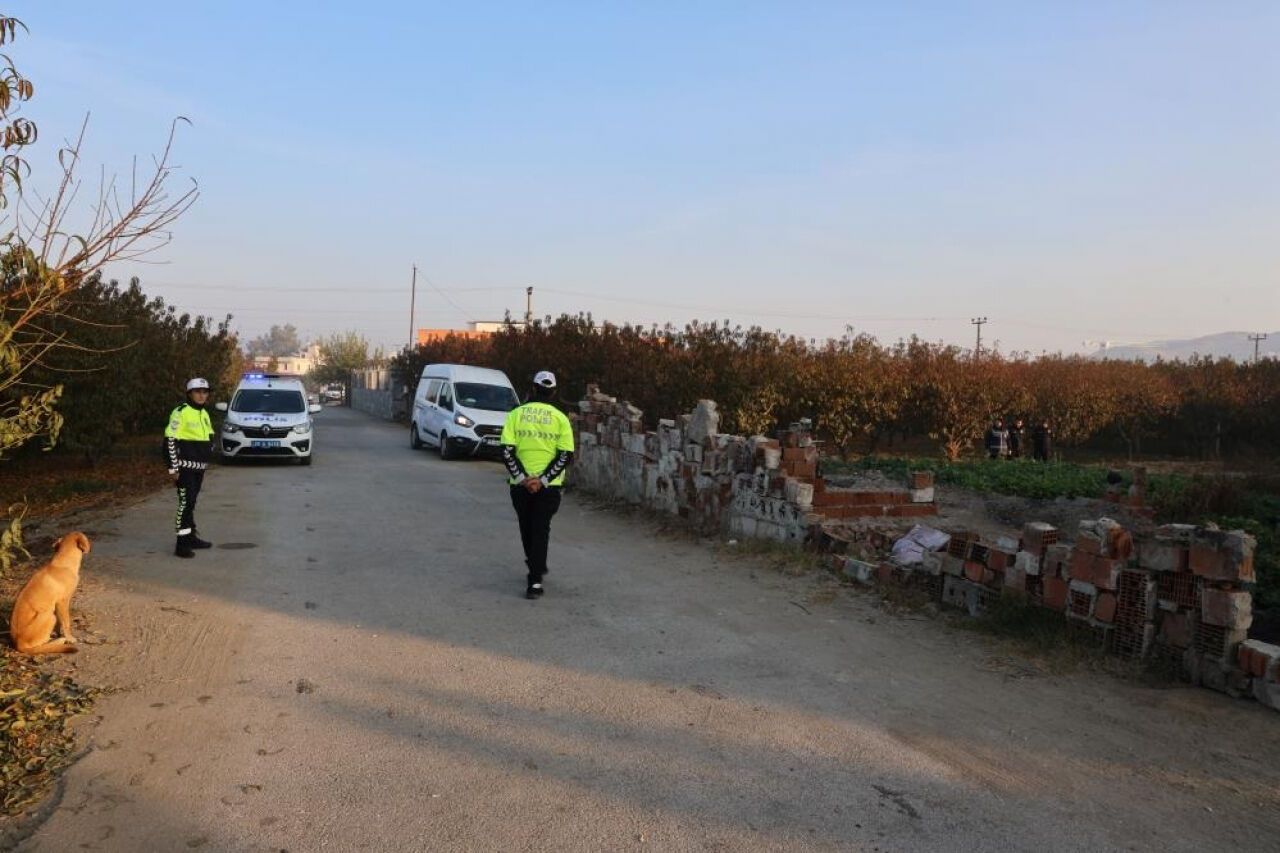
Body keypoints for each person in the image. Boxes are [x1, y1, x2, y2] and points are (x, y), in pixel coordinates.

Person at [500, 371, 575, 599]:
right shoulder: (561, 418)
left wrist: (523, 478)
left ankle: (535, 568)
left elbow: (506, 451)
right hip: (549, 487)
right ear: (553, 392)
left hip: (519, 485)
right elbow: (565, 455)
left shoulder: (515, 414)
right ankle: (535, 579)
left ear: (533, 388)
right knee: (541, 528)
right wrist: (542, 481)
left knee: (527, 527)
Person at [165, 378, 216, 558]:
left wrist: (210, 450)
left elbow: (210, 436)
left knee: (191, 503)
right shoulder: (180, 412)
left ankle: (191, 537)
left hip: (199, 468)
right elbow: (170, 440)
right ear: (189, 394)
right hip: (184, 468)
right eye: (197, 392)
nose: (202, 395)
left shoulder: (204, 413)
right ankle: (181, 544)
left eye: (205, 392)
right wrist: (173, 468)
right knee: (185, 505)